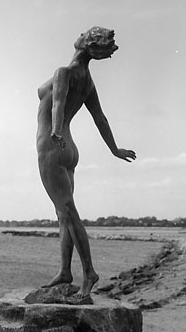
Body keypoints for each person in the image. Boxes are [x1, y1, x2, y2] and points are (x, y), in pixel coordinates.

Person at [36, 26, 136, 297]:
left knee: (68, 212)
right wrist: (114, 150)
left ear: (87, 42)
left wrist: (56, 132)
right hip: (69, 149)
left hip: (53, 146)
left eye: (85, 33)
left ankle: (89, 272)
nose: (79, 33)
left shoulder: (64, 72)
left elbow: (57, 104)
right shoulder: (87, 81)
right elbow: (100, 118)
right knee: (63, 213)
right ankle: (65, 272)